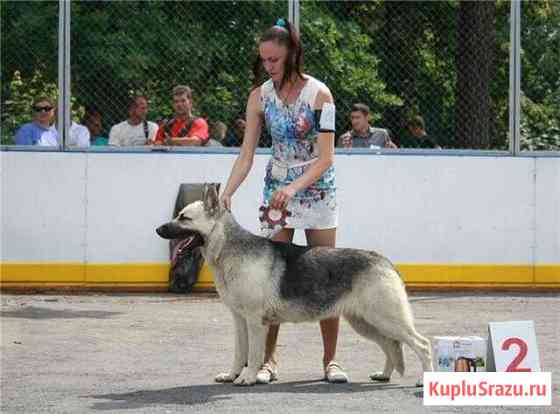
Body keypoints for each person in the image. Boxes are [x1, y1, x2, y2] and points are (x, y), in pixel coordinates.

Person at [220, 18, 348, 384]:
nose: (269, 67)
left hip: (317, 190)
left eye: (274, 60)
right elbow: (246, 155)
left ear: (292, 55)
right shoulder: (259, 96)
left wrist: (294, 188)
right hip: (275, 191)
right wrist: (228, 190)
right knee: (270, 281)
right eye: (264, 61)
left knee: (329, 275)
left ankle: (331, 361)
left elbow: (326, 157)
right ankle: (268, 362)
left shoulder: (320, 95)